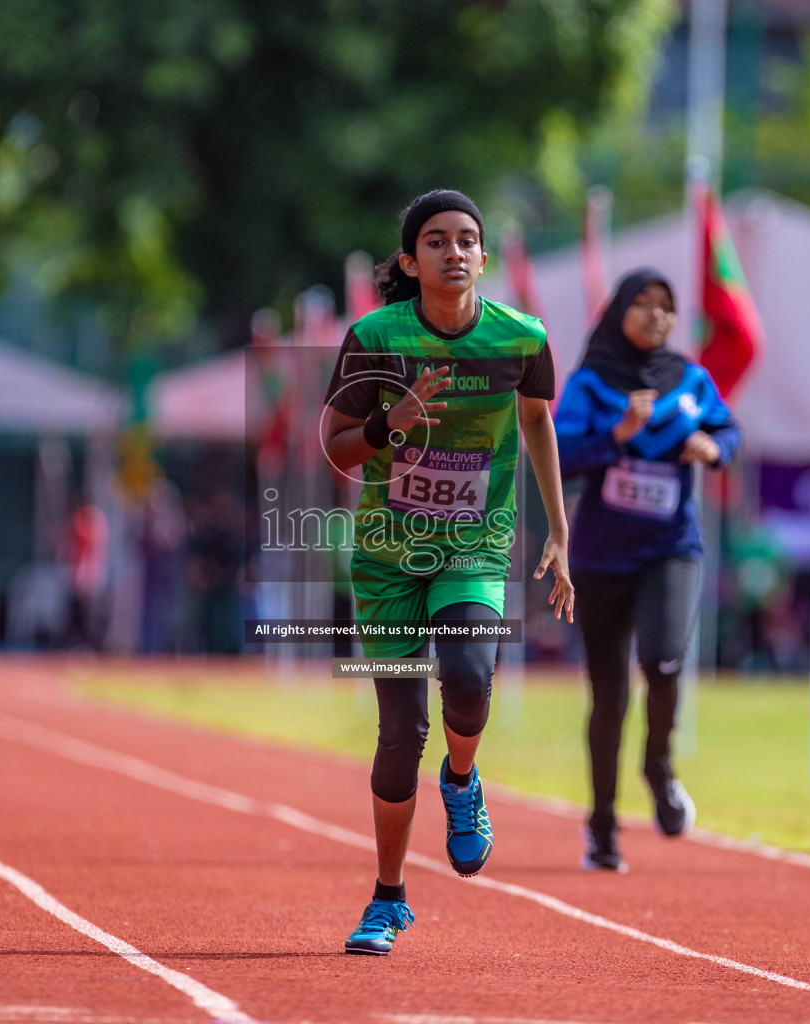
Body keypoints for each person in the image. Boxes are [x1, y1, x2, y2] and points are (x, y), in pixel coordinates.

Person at [322, 190, 574, 954]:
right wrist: (386, 425)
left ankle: (461, 782)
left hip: (475, 544)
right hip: (388, 555)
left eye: (467, 240)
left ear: (484, 258)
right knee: (401, 731)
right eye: (436, 241)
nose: (453, 251)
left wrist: (560, 532)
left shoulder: (521, 336)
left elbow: (536, 420)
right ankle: (388, 896)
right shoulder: (375, 336)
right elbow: (336, 447)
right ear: (409, 260)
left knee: (468, 675)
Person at [554, 268, 741, 871]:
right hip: (600, 555)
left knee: (664, 661)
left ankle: (658, 768)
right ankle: (602, 824)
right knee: (608, 697)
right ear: (618, 312)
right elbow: (559, 454)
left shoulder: (690, 379)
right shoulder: (590, 383)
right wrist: (619, 433)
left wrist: (716, 448)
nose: (657, 315)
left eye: (667, 306)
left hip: (670, 546)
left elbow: (727, 427)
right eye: (644, 304)